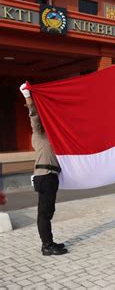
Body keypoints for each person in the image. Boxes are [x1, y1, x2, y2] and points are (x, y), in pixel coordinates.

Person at [19, 82, 68, 256]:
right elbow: (34, 117)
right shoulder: (39, 135)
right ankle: (46, 245)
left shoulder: (55, 137)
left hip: (51, 176)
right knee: (45, 212)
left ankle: (49, 241)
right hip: (44, 175)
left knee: (48, 210)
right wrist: (28, 98)